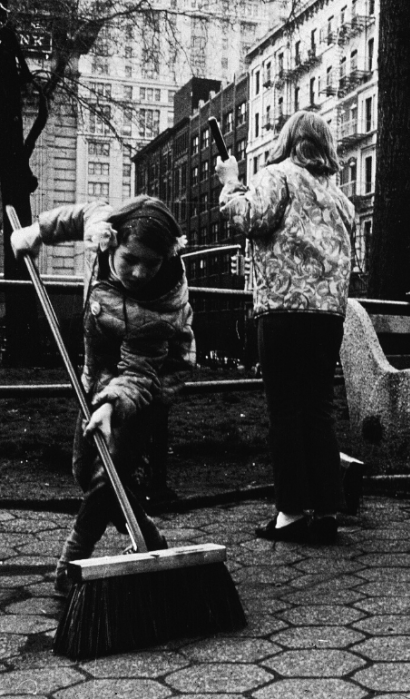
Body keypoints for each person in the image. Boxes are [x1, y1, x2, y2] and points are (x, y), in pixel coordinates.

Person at [11, 195, 194, 595]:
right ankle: (150, 540)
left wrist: (111, 404)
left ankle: (70, 563)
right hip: (98, 375)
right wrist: (36, 233)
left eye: (152, 262)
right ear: (111, 242)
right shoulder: (106, 225)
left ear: (167, 257)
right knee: (84, 469)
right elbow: (80, 216)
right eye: (131, 259)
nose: (140, 272)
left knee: (108, 476)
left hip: (148, 383)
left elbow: (139, 372)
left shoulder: (158, 308)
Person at [217, 110, 354, 545]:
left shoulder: (277, 176)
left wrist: (231, 180)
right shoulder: (340, 198)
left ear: (289, 140)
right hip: (328, 315)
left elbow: (247, 218)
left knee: (285, 411)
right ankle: (328, 509)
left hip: (282, 309)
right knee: (318, 408)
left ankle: (291, 513)